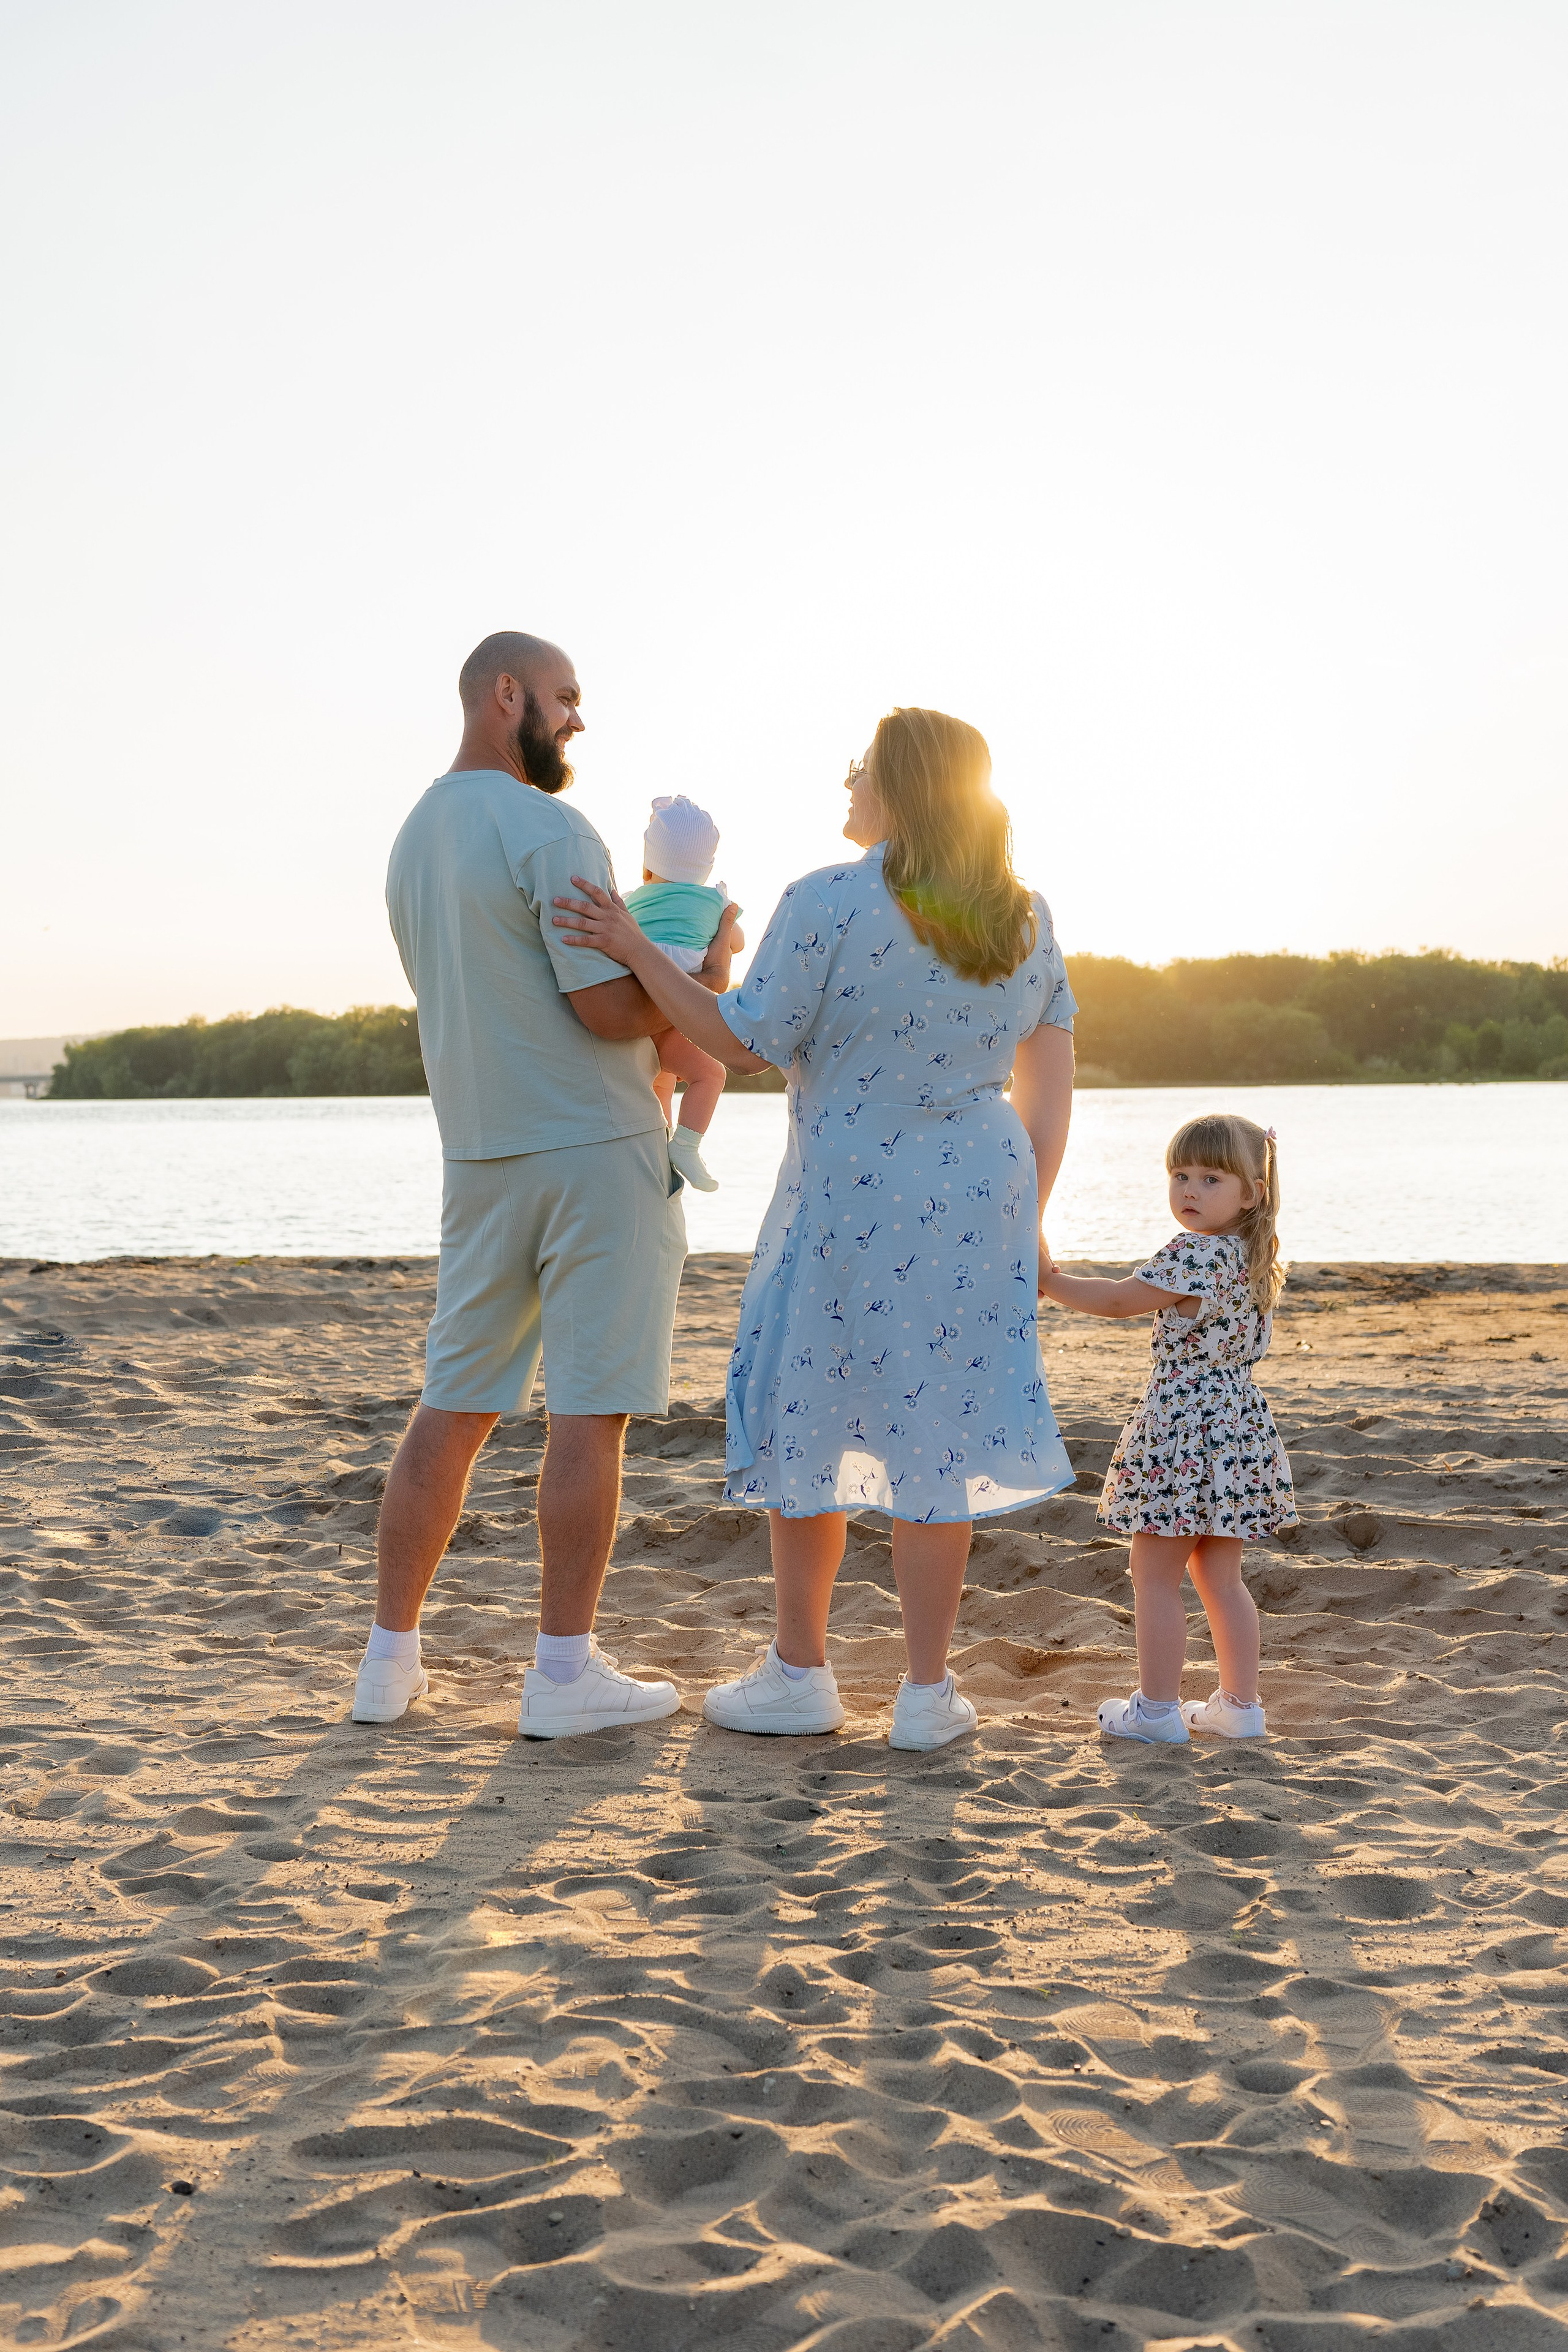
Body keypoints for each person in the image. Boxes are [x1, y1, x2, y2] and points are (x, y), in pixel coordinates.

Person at [553, 706, 1077, 1751]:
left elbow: (741, 1040)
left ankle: (802, 1673)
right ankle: (926, 1696)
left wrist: (634, 946)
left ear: (901, 784)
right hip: (980, 1197)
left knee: (813, 1413)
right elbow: (1049, 1089)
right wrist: (1029, 1219)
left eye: (859, 767)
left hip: (852, 1195)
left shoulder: (827, 898)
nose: (847, 783)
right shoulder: (1022, 915)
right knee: (937, 1435)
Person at [356, 632, 737, 1737]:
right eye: (565, 697)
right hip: (596, 1151)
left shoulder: (412, 838)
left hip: (479, 1156)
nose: (577, 719)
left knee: (453, 1407)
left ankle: (387, 1665)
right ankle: (564, 1675)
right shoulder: (552, 827)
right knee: (589, 1413)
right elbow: (607, 1010)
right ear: (505, 694)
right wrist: (709, 971)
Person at [1038, 1114, 1296, 1744]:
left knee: (1153, 1576)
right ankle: (1240, 1708)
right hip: (1235, 1428)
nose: (1190, 1189)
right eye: (1180, 1175)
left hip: (1183, 1429)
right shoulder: (1253, 1256)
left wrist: (1049, 1281)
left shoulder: (1194, 1254)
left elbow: (1118, 1301)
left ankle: (1155, 1712)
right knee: (1221, 1579)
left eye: (1211, 1178)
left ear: (1252, 1193)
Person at [622, 794, 744, 1194]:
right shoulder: (715, 902)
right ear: (706, 867)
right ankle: (686, 1147)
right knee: (710, 1075)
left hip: (633, 1016)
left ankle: (662, 1150)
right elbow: (737, 943)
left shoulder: (630, 902)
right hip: (673, 1018)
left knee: (663, 1083)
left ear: (648, 867)